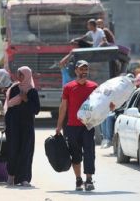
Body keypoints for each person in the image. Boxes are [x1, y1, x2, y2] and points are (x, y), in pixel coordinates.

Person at [55, 60, 115, 191]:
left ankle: (88, 180)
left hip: (87, 126)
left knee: (89, 153)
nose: (84, 72)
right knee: (75, 154)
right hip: (71, 126)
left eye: (86, 69)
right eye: (81, 69)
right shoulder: (68, 87)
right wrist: (59, 125)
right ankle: (78, 180)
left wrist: (109, 107)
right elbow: (63, 107)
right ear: (76, 71)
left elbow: (101, 103)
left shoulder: (94, 86)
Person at [4, 66, 40, 186]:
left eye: (21, 75)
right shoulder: (13, 89)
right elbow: (9, 107)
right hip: (13, 126)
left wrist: (26, 100)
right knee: (13, 150)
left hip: (27, 126)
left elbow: (36, 110)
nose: (18, 77)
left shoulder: (32, 92)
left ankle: (24, 179)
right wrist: (7, 125)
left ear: (27, 76)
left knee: (26, 151)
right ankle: (11, 176)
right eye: (18, 74)